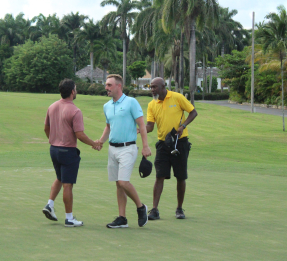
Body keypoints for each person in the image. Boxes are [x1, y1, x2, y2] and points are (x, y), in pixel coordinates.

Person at [42, 79, 100, 227]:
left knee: (60, 178)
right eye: (76, 89)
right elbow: (79, 134)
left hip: (53, 149)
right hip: (67, 151)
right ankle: (69, 218)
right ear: (72, 92)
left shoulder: (52, 106)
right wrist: (94, 144)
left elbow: (46, 128)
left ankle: (49, 204)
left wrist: (54, 139)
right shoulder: (75, 111)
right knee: (68, 184)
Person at [97, 74, 152, 228]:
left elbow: (141, 125)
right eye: (106, 85)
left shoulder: (131, 102)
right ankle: (122, 218)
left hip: (128, 147)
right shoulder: (107, 106)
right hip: (112, 149)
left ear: (118, 86)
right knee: (118, 185)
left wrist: (145, 145)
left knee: (123, 182)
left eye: (109, 85)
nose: (106, 88)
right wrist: (101, 141)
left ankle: (141, 207)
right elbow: (108, 127)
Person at [145, 77, 198, 220]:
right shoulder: (152, 104)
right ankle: (154, 210)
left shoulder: (177, 97)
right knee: (159, 176)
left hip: (180, 142)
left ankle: (179, 209)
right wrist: (141, 129)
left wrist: (183, 126)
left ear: (163, 86)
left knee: (180, 176)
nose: (152, 89)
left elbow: (193, 112)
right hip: (163, 144)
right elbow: (150, 126)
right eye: (151, 87)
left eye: (155, 87)